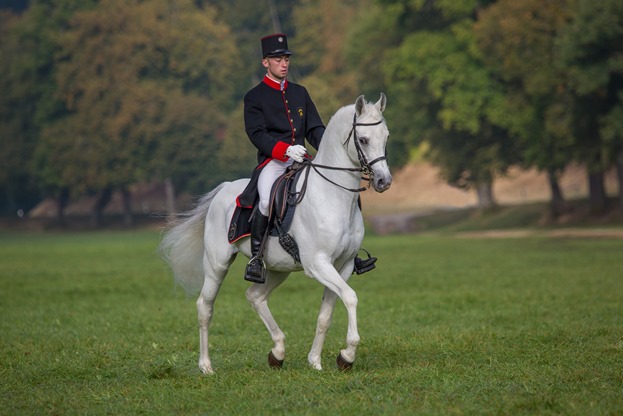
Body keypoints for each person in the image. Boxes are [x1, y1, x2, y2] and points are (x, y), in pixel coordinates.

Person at [242, 33, 376, 283]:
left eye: (286, 59)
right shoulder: (255, 97)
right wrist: (284, 150)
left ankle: (350, 251)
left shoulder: (300, 92)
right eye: (278, 59)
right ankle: (257, 258)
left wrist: (332, 148)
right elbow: (257, 134)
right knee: (264, 198)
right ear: (265, 63)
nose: (284, 64)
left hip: (302, 159)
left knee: (346, 189)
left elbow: (314, 128)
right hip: (274, 162)